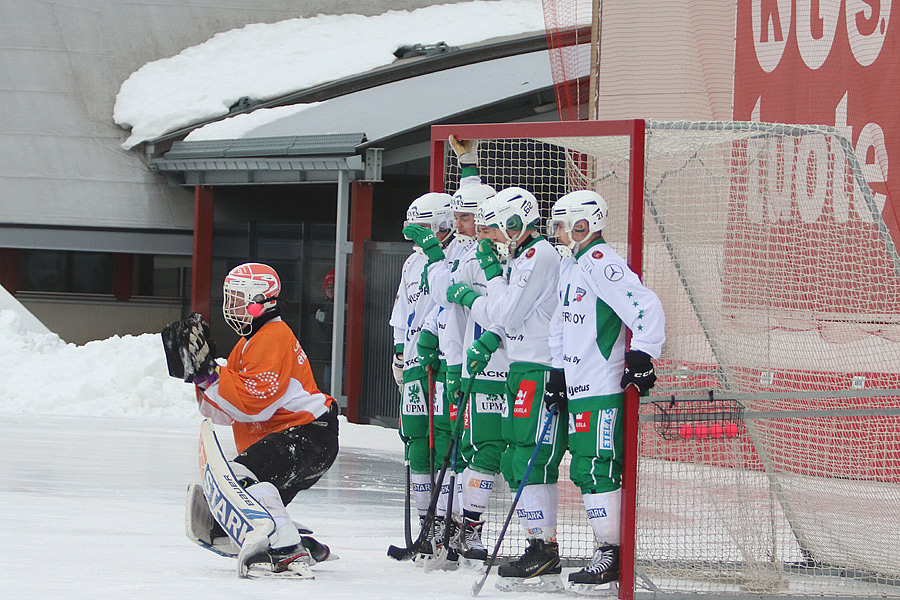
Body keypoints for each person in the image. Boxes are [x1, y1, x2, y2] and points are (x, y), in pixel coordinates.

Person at [546, 190, 665, 590]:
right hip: (579, 384)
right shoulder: (571, 266)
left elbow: (646, 307)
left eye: (563, 225)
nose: (557, 233)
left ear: (584, 225)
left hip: (601, 384)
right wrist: (559, 372)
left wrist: (642, 355)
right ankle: (606, 549)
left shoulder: (601, 263)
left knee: (597, 466)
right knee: (584, 467)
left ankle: (612, 552)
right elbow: (561, 326)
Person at [187, 262, 340, 572]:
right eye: (228, 299)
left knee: (242, 478)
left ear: (261, 302)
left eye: (237, 300)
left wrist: (211, 373)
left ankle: (286, 545)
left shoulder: (273, 336)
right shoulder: (246, 345)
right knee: (250, 497)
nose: (230, 307)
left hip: (308, 436)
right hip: (303, 437)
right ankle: (297, 542)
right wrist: (201, 378)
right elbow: (226, 411)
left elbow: (254, 405)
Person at [452, 187, 568, 591]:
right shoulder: (522, 257)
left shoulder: (539, 256)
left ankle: (544, 547)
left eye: (495, 229)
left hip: (540, 367)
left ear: (514, 223)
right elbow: (509, 319)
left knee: (529, 459)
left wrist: (481, 285)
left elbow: (505, 309)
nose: (490, 238)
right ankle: (540, 544)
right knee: (517, 458)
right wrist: (491, 337)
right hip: (521, 366)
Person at [411, 136, 507, 567]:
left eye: (469, 217)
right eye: (460, 216)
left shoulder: (498, 254)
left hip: (503, 362)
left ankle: (467, 527)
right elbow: (442, 298)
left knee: (485, 449)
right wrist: (467, 163)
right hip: (466, 361)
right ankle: (454, 525)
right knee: (465, 448)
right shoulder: (466, 252)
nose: (462, 221)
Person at [389, 191, 455, 553]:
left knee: (442, 441)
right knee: (416, 441)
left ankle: (447, 525)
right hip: (414, 364)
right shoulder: (412, 264)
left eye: (423, 228)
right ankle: (424, 527)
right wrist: (400, 353)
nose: (416, 236)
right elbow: (402, 313)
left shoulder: (451, 258)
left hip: (441, 361)